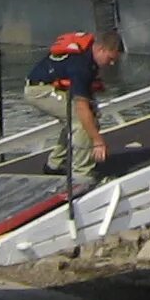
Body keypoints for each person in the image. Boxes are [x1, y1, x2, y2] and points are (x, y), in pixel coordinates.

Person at [24, 24, 124, 182]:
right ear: (100, 49)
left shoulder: (89, 55)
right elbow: (81, 107)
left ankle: (55, 164)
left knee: (88, 119)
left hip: (54, 86)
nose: (111, 64)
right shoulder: (81, 66)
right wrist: (98, 141)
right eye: (110, 59)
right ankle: (82, 175)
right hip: (40, 90)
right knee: (81, 121)